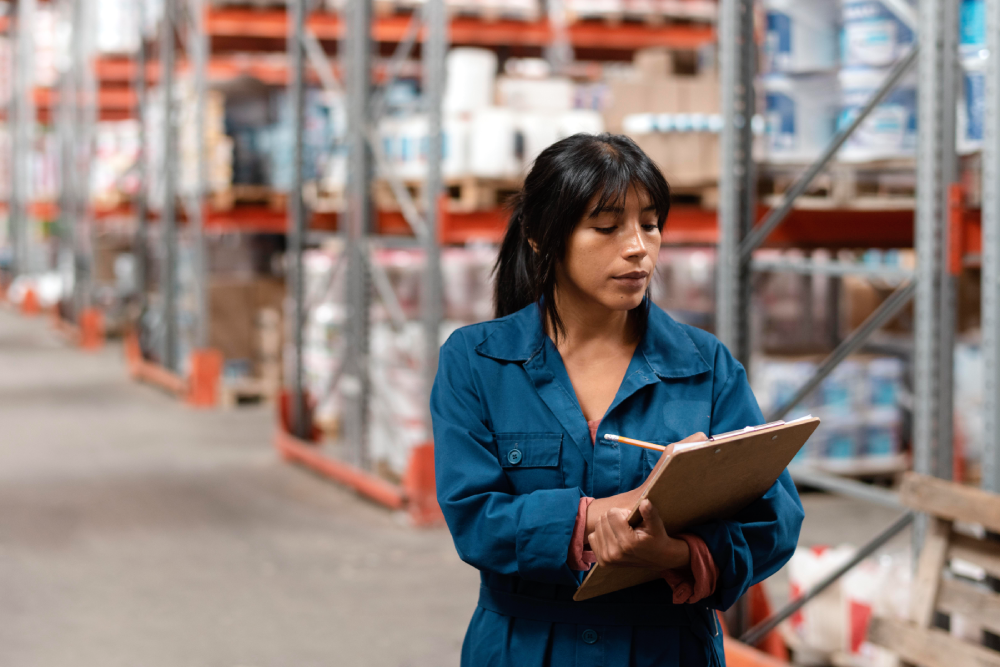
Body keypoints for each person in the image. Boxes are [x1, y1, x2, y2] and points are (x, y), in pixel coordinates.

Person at [430, 133, 804, 666]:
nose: (637, 247)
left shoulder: (705, 365)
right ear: (541, 236)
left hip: (666, 646)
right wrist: (595, 518)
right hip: (524, 646)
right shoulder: (478, 362)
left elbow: (775, 519)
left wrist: (676, 555)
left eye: (650, 224)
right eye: (606, 227)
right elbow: (473, 517)